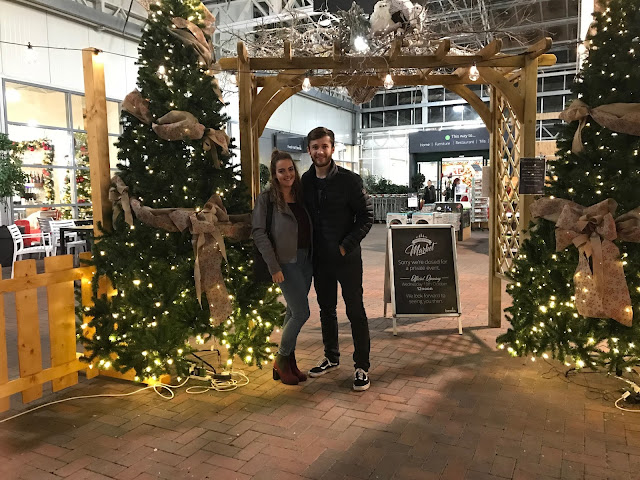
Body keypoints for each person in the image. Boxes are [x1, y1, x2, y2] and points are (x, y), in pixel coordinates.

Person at [302, 127, 374, 391]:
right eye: (315, 147)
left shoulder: (349, 180)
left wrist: (345, 246)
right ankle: (331, 357)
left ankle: (362, 366)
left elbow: (366, 216)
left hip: (347, 259)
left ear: (332, 148)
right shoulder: (305, 181)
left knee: (355, 311)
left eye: (324, 146)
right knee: (326, 310)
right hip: (320, 261)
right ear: (308, 150)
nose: (320, 151)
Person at [252, 150, 313, 385]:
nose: (287, 174)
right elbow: (259, 233)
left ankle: (290, 362)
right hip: (285, 262)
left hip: (306, 259)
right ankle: (281, 359)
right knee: (302, 313)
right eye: (281, 171)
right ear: (274, 174)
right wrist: (273, 266)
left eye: (290, 169)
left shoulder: (300, 195)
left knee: (292, 311)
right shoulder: (267, 199)